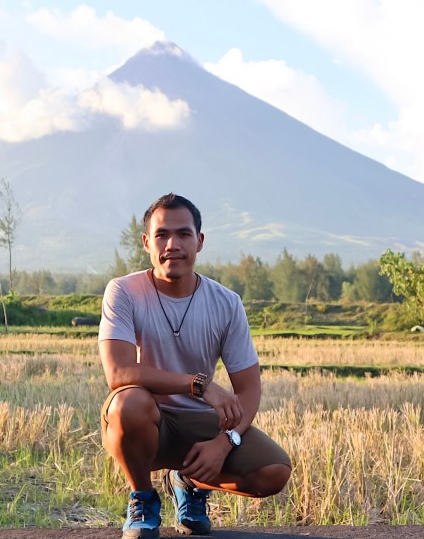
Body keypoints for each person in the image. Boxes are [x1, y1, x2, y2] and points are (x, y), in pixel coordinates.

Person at [98, 193, 291, 539]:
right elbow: (119, 373)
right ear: (146, 242)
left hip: (202, 426)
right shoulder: (124, 292)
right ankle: (142, 498)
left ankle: (187, 481)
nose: (173, 244)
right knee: (128, 404)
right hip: (148, 420)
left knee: (275, 471)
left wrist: (224, 442)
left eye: (184, 234)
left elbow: (248, 390)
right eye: (162, 235)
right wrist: (199, 385)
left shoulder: (226, 303)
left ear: (199, 241)